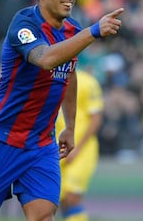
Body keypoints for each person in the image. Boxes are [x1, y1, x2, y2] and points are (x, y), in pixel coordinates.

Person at [0, 0, 123, 221]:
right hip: (1, 139)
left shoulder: (72, 31)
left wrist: (70, 125)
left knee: (43, 216)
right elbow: (46, 59)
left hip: (41, 143)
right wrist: (93, 31)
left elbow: (68, 73)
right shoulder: (23, 24)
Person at [55, 70, 103, 221]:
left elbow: (96, 118)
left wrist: (78, 149)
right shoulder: (50, 80)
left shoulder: (87, 82)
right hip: (57, 149)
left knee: (72, 196)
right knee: (61, 199)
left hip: (81, 149)